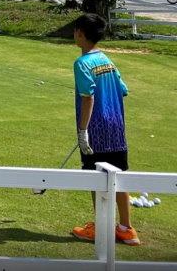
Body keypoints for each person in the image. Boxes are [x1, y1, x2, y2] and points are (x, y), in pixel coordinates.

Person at [69, 13, 140, 246]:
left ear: (80, 33)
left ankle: (101, 228)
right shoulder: (107, 60)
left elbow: (87, 98)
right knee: (118, 176)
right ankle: (126, 229)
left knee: (95, 178)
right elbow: (123, 90)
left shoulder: (82, 63)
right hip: (116, 127)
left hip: (96, 129)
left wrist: (83, 131)